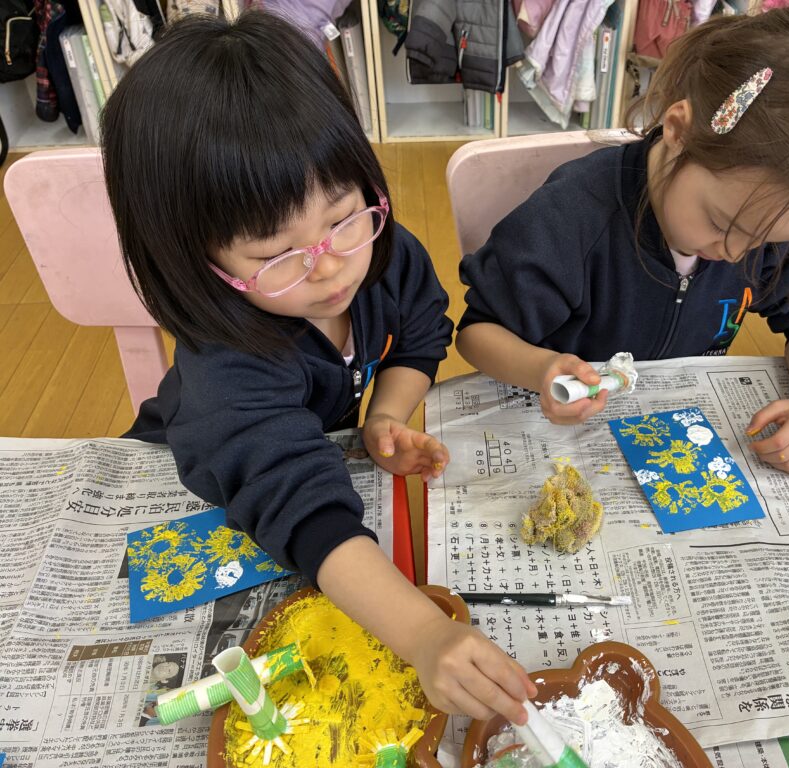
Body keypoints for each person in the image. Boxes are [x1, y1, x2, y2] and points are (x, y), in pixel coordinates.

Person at [102, 11, 534, 725]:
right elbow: (301, 505)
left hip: (306, 468)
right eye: (277, 253)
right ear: (195, 260)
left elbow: (422, 335)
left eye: (342, 216)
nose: (330, 266)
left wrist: (384, 415)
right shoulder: (227, 364)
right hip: (210, 491)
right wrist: (424, 634)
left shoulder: (382, 255)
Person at [456, 0, 789, 477]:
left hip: (671, 425)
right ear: (678, 130)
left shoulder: (766, 222)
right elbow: (478, 332)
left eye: (764, 241)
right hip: (561, 431)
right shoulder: (571, 219)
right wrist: (542, 369)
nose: (736, 253)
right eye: (723, 224)